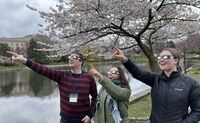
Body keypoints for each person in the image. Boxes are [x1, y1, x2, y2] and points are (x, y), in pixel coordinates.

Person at [113, 47, 200, 123]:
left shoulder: (191, 83)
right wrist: (124, 59)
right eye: (159, 57)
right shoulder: (155, 79)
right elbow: (138, 73)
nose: (161, 59)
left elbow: (197, 111)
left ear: (175, 60)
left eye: (166, 57)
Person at [7, 51, 97, 123]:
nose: (70, 59)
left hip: (83, 119)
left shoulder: (88, 78)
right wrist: (25, 61)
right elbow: (43, 70)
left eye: (74, 57)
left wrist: (90, 115)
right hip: (66, 119)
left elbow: (95, 97)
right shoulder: (62, 75)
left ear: (81, 61)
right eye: (70, 57)